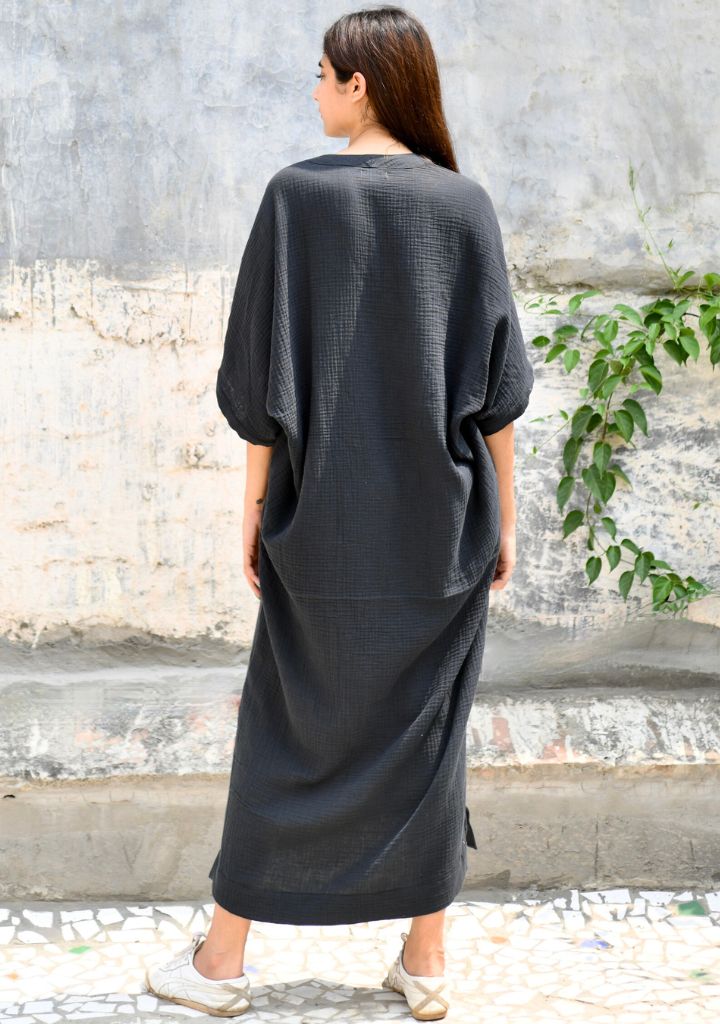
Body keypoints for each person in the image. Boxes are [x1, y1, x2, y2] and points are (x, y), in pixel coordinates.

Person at [145, 6, 534, 1020]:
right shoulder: (464, 206)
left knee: (287, 723)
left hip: (322, 519)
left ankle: (222, 962)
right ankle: (427, 963)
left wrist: (253, 507)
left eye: (323, 73)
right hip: (442, 525)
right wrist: (504, 518)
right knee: (428, 733)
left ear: (361, 83)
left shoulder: (296, 199)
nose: (314, 89)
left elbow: (260, 382)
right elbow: (498, 391)